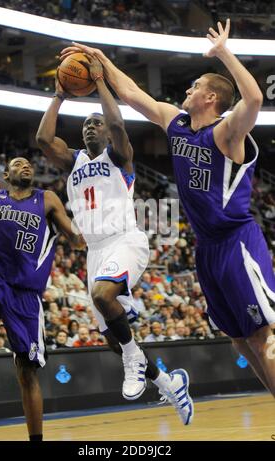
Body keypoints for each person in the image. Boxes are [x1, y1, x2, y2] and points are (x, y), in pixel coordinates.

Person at [60, 19, 275, 397]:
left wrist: (224, 53)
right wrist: (100, 61)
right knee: (239, 341)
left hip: (237, 241)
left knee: (261, 336)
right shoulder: (175, 124)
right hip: (206, 247)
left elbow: (254, 99)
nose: (187, 91)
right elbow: (130, 93)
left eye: (195, 87)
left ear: (211, 98)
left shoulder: (227, 133)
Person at [36, 56, 194, 424]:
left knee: (102, 296)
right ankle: (169, 383)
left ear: (107, 132)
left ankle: (132, 356)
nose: (90, 128)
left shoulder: (119, 157)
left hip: (125, 240)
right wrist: (60, 95)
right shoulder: (73, 160)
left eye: (97, 124)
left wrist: (99, 82)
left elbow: (119, 122)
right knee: (111, 333)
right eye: (86, 125)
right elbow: (44, 139)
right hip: (96, 251)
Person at [0, 157, 84, 440]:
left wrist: (87, 229)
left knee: (26, 372)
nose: (26, 166)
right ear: (5, 173)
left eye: (29, 164)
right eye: (18, 163)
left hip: (25, 292)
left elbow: (75, 237)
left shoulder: (46, 199)